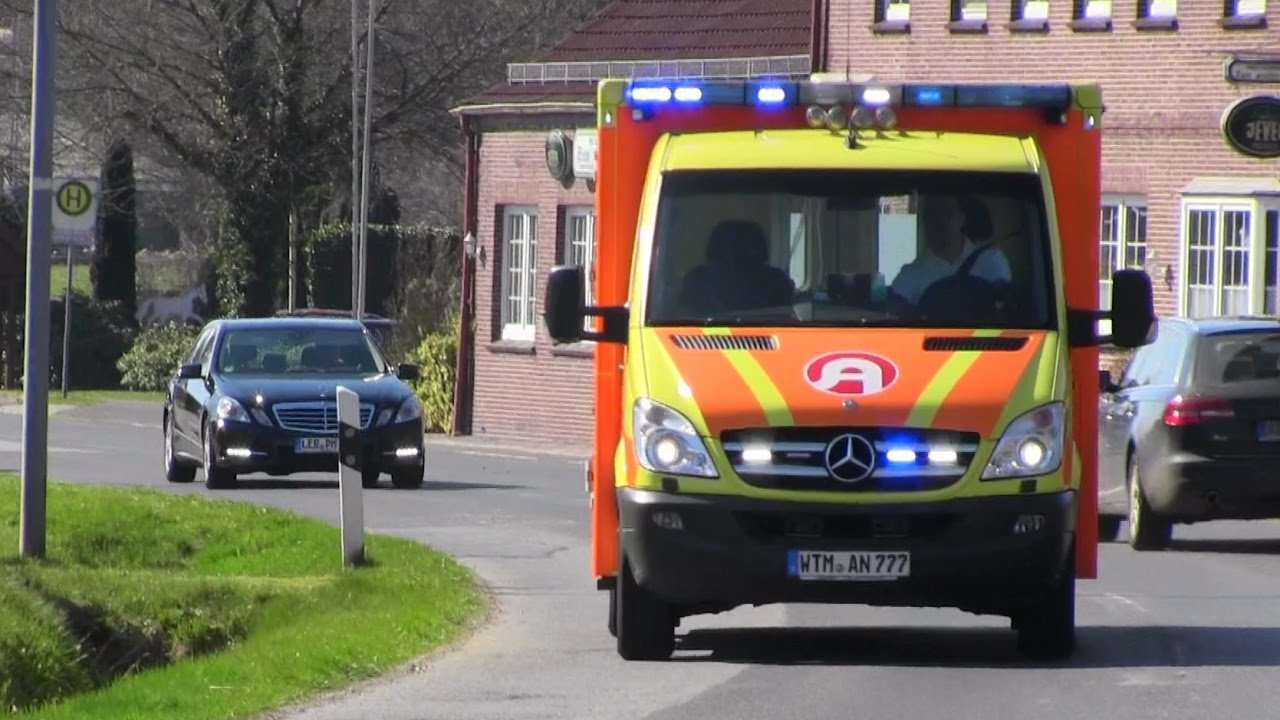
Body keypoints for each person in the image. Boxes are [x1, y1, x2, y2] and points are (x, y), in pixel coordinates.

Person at [889, 194, 1011, 306]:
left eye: (948, 213)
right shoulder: (912, 273)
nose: (941, 221)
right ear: (925, 221)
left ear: (961, 218)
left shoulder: (990, 260)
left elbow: (1004, 305)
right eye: (933, 214)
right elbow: (894, 310)